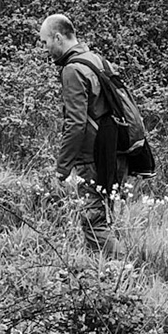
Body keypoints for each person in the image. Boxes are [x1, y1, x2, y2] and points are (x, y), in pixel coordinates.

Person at [40, 13, 127, 251]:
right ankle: (102, 273)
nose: (45, 49)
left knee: (93, 222)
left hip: (94, 156)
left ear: (58, 37)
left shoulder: (73, 70)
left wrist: (62, 169)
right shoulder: (97, 61)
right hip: (114, 151)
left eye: (45, 42)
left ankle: (117, 275)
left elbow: (75, 124)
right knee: (105, 217)